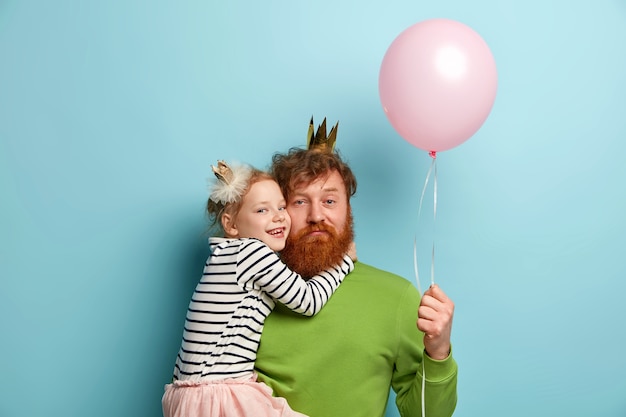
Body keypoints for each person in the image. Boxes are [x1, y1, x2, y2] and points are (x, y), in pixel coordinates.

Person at [254, 118, 458, 417]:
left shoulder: (395, 297)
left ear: (348, 209)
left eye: (330, 200)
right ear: (280, 213)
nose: (316, 215)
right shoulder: (246, 290)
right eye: (299, 202)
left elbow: (426, 414)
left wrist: (438, 351)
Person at [162, 160, 355, 417]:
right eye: (262, 210)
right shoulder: (252, 253)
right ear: (231, 225)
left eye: (282, 207)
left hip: (188, 393)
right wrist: (343, 263)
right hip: (218, 394)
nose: (278, 216)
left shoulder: (225, 256)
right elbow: (308, 301)